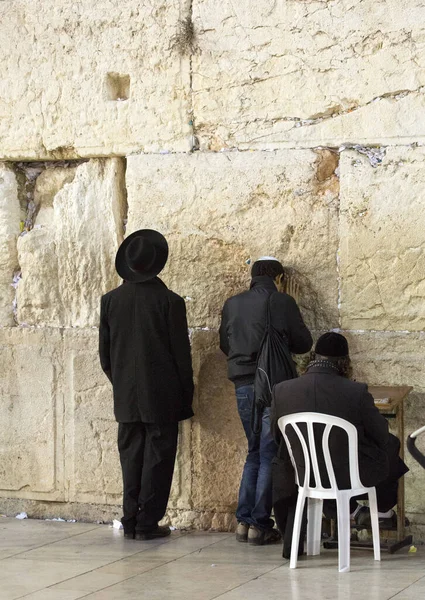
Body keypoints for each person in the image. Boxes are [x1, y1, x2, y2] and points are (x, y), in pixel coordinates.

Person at [271, 332, 409, 557]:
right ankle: (381, 510)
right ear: (345, 362)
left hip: (303, 475)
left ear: (313, 356)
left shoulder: (282, 390)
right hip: (346, 476)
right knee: (391, 444)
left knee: (283, 460)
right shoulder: (356, 392)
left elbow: (278, 438)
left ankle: (347, 511)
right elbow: (381, 434)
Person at [99, 230, 194, 540]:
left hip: (126, 396)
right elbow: (181, 355)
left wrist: (124, 384)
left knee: (131, 457)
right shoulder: (171, 302)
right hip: (163, 395)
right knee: (158, 459)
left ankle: (129, 519)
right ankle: (147, 523)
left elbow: (105, 355)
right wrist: (184, 395)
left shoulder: (110, 301)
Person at [219, 257, 313, 545]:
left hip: (244, 383)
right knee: (270, 453)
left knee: (254, 451)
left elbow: (225, 343)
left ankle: (244, 522)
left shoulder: (232, 303)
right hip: (273, 383)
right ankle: (259, 524)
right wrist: (290, 304)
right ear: (279, 278)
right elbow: (304, 344)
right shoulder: (282, 301)